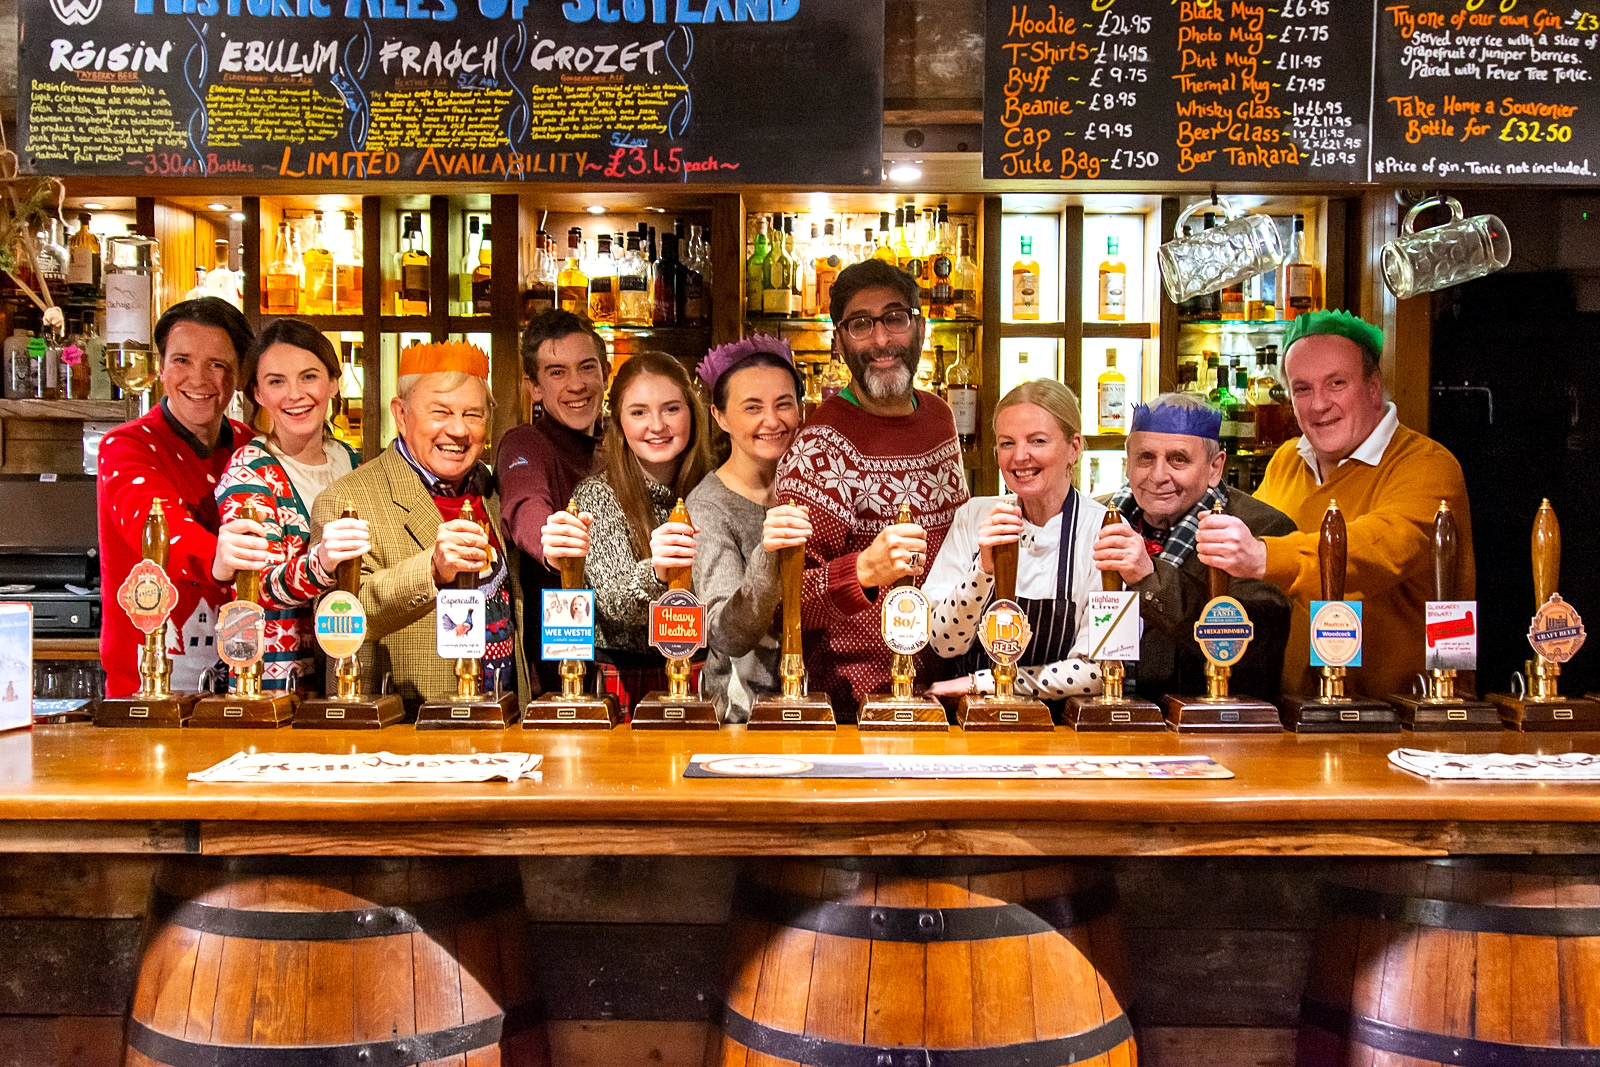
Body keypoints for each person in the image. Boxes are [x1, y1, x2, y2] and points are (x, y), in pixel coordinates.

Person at [1196, 309, 1474, 699]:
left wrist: (1263, 556)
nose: (1319, 404)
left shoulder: (1426, 464)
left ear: (1374, 386)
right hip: (1295, 710)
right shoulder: (1287, 460)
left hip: (1404, 714)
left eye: (1337, 383)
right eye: (1302, 389)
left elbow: (1381, 549)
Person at [772, 260, 969, 717]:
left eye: (895, 319)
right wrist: (860, 571)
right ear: (838, 342)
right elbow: (788, 598)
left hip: (951, 685)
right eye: (861, 325)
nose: (881, 340)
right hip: (857, 704)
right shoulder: (820, 444)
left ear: (920, 329)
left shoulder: (940, 416)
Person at [308, 342, 531, 713]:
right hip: (408, 727)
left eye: (473, 414)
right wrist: (431, 570)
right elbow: (338, 620)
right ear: (401, 414)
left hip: (502, 720)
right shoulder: (348, 501)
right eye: (440, 412)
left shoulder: (492, 491)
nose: (458, 430)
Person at [540, 352, 714, 713]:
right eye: (638, 412)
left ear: (693, 415)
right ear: (618, 421)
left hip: (707, 672)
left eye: (671, 409)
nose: (657, 425)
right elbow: (613, 604)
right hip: (624, 679)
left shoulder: (713, 489)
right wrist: (657, 573)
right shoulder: (597, 496)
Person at [97, 297, 253, 698]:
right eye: (182, 360)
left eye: (216, 365)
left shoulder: (253, 446)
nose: (198, 379)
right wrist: (219, 557)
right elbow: (158, 528)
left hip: (248, 681)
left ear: (237, 377)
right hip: (151, 691)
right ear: (160, 369)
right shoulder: (126, 446)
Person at [1094, 393, 1295, 703]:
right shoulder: (1095, 516)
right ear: (1127, 463)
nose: (1158, 476)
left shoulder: (1261, 529)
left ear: (1215, 468)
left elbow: (1253, 653)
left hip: (1214, 730)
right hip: (1104, 710)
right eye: (1145, 457)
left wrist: (1150, 578)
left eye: (1178, 459)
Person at [210, 319, 371, 694]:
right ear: (258, 393)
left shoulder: (351, 461)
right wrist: (323, 561)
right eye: (276, 381)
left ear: (334, 382)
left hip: (343, 671)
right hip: (275, 683)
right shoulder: (249, 469)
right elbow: (257, 586)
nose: (295, 394)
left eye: (309, 376)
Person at [923, 380, 1106, 701]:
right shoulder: (974, 515)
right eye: (1007, 443)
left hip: (1061, 728)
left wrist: (985, 683)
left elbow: (1097, 671)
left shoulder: (1101, 528)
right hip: (972, 722)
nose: (1020, 456)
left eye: (1037, 440)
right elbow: (942, 641)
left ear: (1074, 448)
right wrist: (982, 572)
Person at [684, 335, 807, 722]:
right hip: (743, 718)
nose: (772, 421)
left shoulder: (815, 485)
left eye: (784, 404)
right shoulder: (708, 505)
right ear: (720, 417)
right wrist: (768, 554)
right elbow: (727, 634)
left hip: (815, 704)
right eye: (752, 408)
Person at [496, 310, 609, 693]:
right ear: (534, 387)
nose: (576, 384)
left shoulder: (625, 444)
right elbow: (523, 502)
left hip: (628, 655)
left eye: (586, 367)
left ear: (605, 375)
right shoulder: (525, 443)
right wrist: (553, 540)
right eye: (557, 372)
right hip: (558, 666)